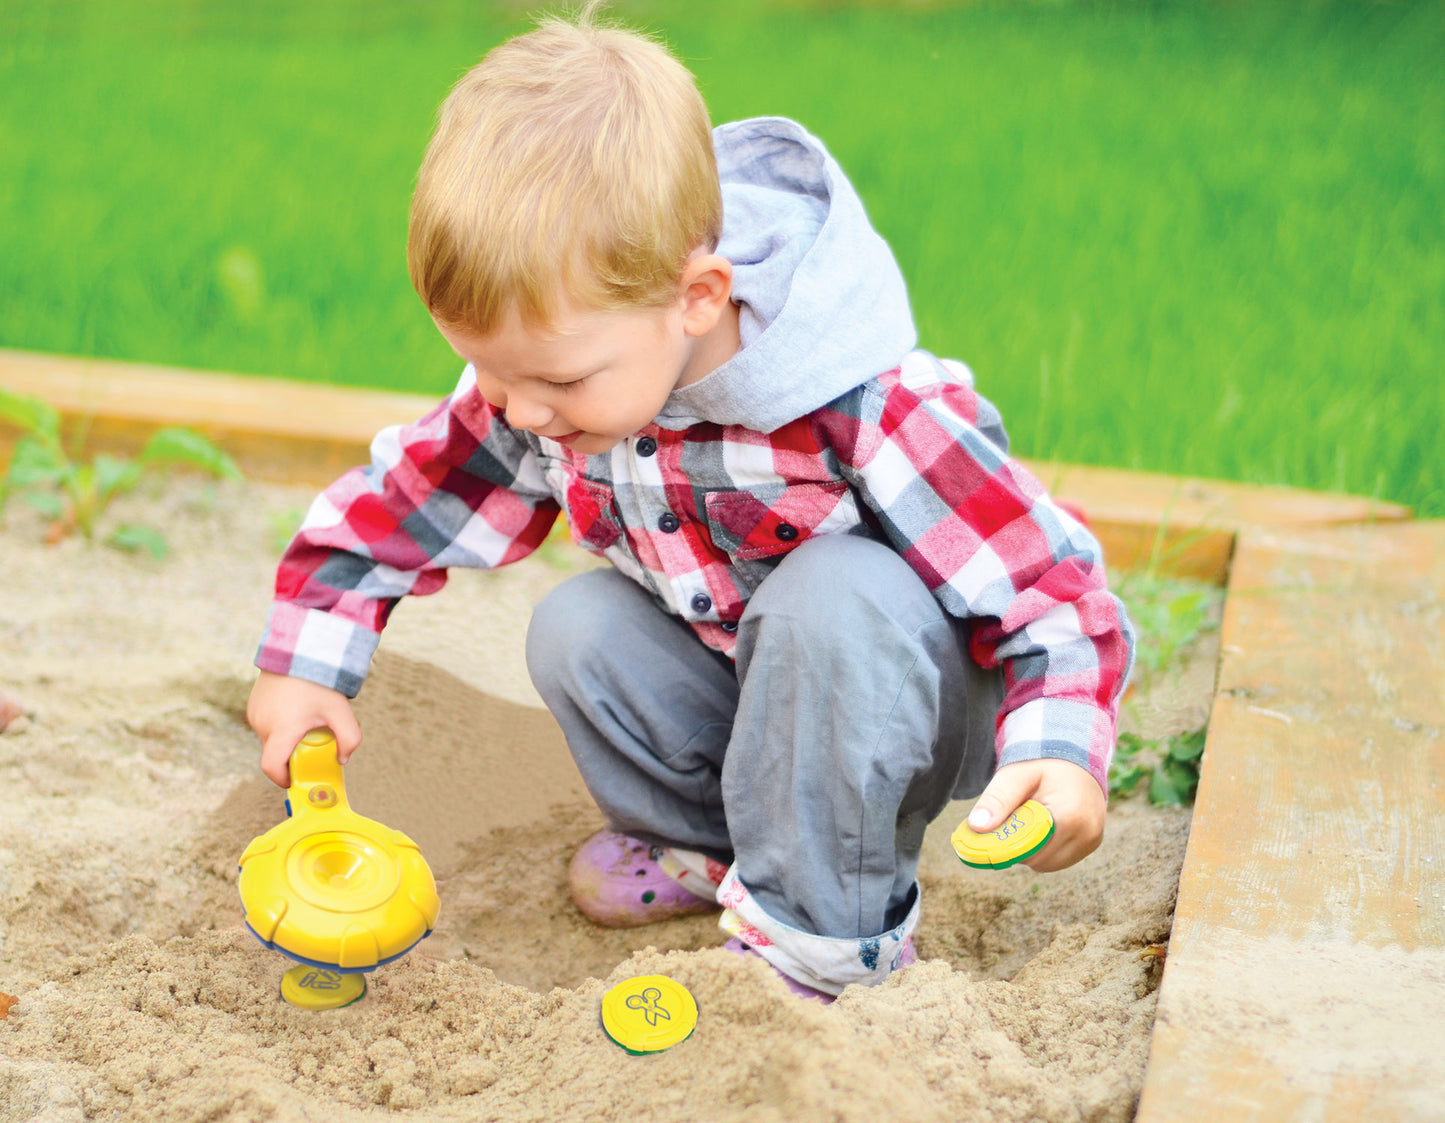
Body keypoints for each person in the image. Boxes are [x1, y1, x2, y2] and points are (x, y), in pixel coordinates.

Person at [247, 3, 1134, 1001]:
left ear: (697, 297)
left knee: (829, 594)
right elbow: (404, 502)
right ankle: (719, 850)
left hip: (901, 708)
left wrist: (1058, 750)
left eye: (561, 382)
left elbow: (1047, 587)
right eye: (490, 373)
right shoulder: (553, 377)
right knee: (577, 625)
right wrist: (306, 662)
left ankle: (828, 941)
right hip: (750, 695)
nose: (523, 411)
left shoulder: (865, 404)